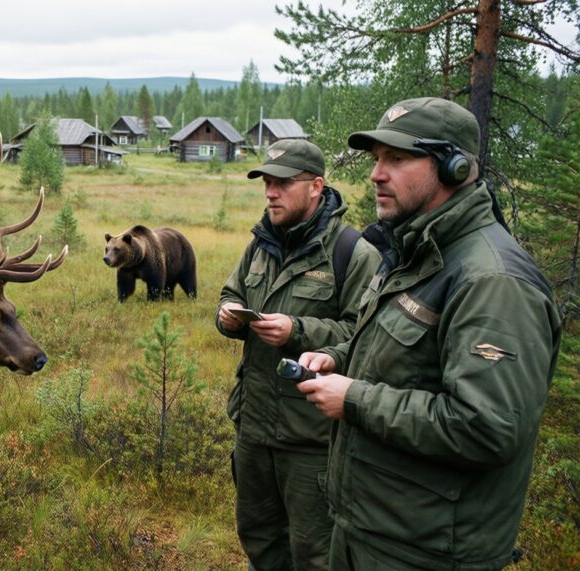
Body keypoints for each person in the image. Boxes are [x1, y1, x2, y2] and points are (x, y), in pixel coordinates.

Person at [297, 97, 562, 570]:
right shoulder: (416, 251)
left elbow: (486, 428)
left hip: (426, 550)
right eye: (377, 159)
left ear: (454, 168)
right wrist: (340, 357)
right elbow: (402, 354)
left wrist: (353, 397)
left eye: (397, 159)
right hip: (370, 527)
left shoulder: (493, 282)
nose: (377, 174)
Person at [216, 139, 380, 570]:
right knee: (259, 538)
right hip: (253, 427)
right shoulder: (260, 243)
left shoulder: (352, 253)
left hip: (311, 440)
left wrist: (298, 331)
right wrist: (227, 315)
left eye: (282, 183)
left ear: (315, 187)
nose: (270, 192)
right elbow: (231, 292)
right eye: (267, 182)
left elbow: (361, 335)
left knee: (314, 553)